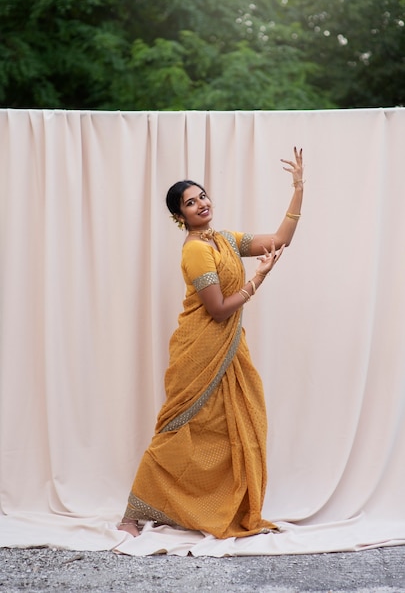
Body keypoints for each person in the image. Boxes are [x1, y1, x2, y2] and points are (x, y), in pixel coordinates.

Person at [118, 147, 304, 538]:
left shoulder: (226, 240)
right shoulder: (197, 251)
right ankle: (131, 515)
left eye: (202, 196)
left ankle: (221, 508)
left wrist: (298, 187)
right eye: (190, 202)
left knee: (236, 425)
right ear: (179, 215)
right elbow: (218, 309)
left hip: (231, 349)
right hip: (199, 348)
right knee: (176, 431)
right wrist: (259, 279)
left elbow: (281, 238)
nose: (200, 203)